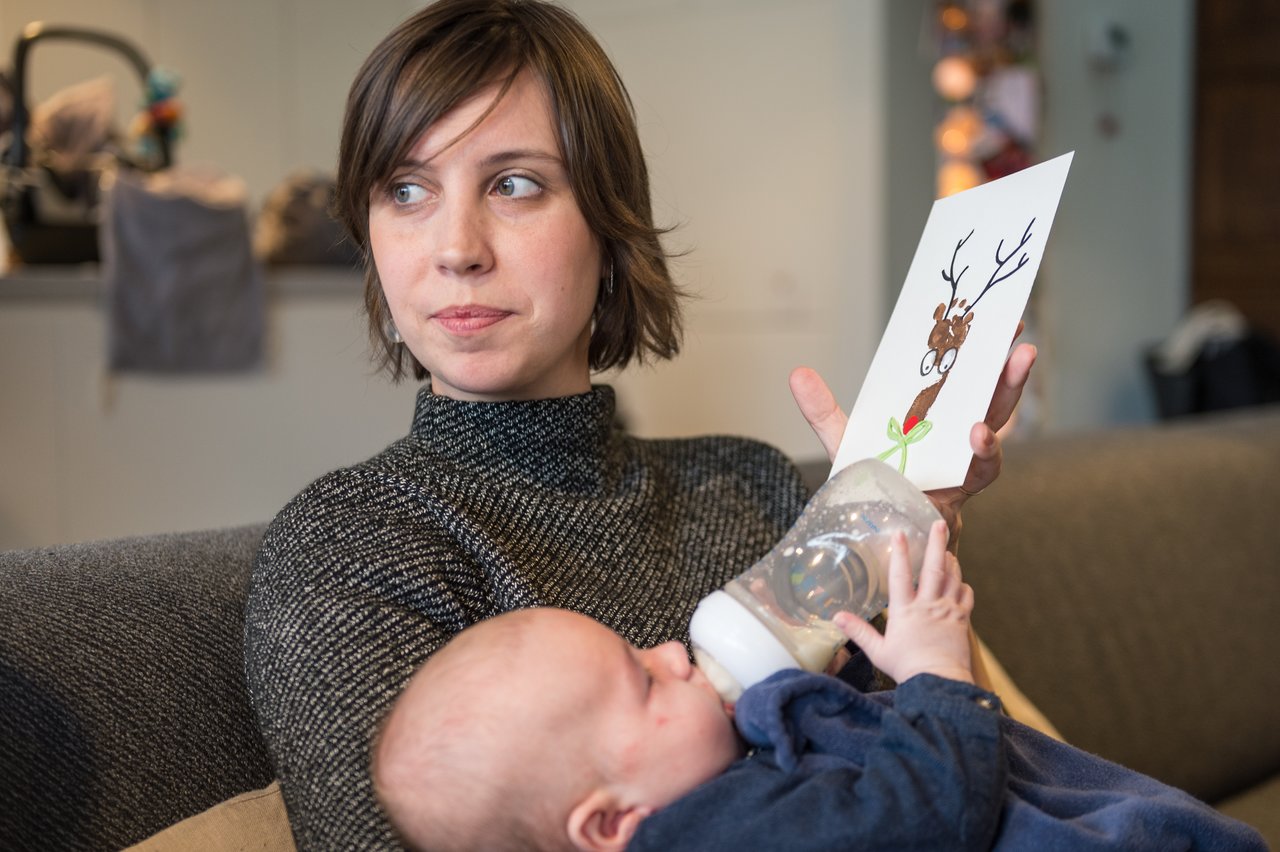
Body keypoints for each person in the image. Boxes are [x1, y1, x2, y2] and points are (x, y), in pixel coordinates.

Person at [243, 0, 1037, 848]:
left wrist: (907, 525)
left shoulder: (747, 482)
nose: (455, 248)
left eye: (514, 184)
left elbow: (981, 795)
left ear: (608, 221)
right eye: (406, 190)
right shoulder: (353, 548)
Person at [372, 523, 1266, 852]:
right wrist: (937, 676)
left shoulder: (713, 771)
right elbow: (919, 815)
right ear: (612, 824)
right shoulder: (716, 835)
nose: (670, 653)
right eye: (642, 683)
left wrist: (841, 670)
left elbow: (851, 767)